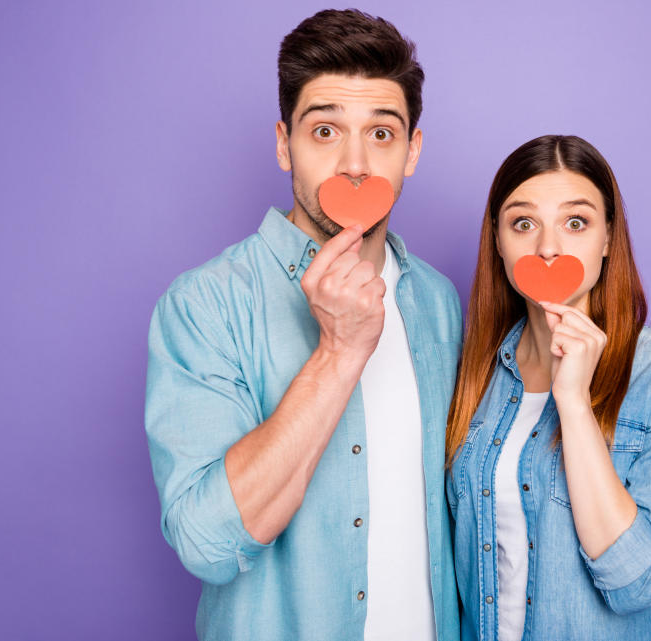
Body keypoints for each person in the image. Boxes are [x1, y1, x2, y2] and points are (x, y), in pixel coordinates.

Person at [144, 9, 461, 641]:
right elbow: (206, 543)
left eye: (381, 133)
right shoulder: (204, 304)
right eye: (324, 131)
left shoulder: (438, 300)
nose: (355, 164)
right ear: (285, 144)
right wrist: (339, 353)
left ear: (412, 151)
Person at [445, 135, 651, 640]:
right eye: (524, 223)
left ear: (608, 238)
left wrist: (572, 401)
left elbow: (636, 586)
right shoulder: (474, 370)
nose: (548, 246)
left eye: (575, 222)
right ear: (498, 242)